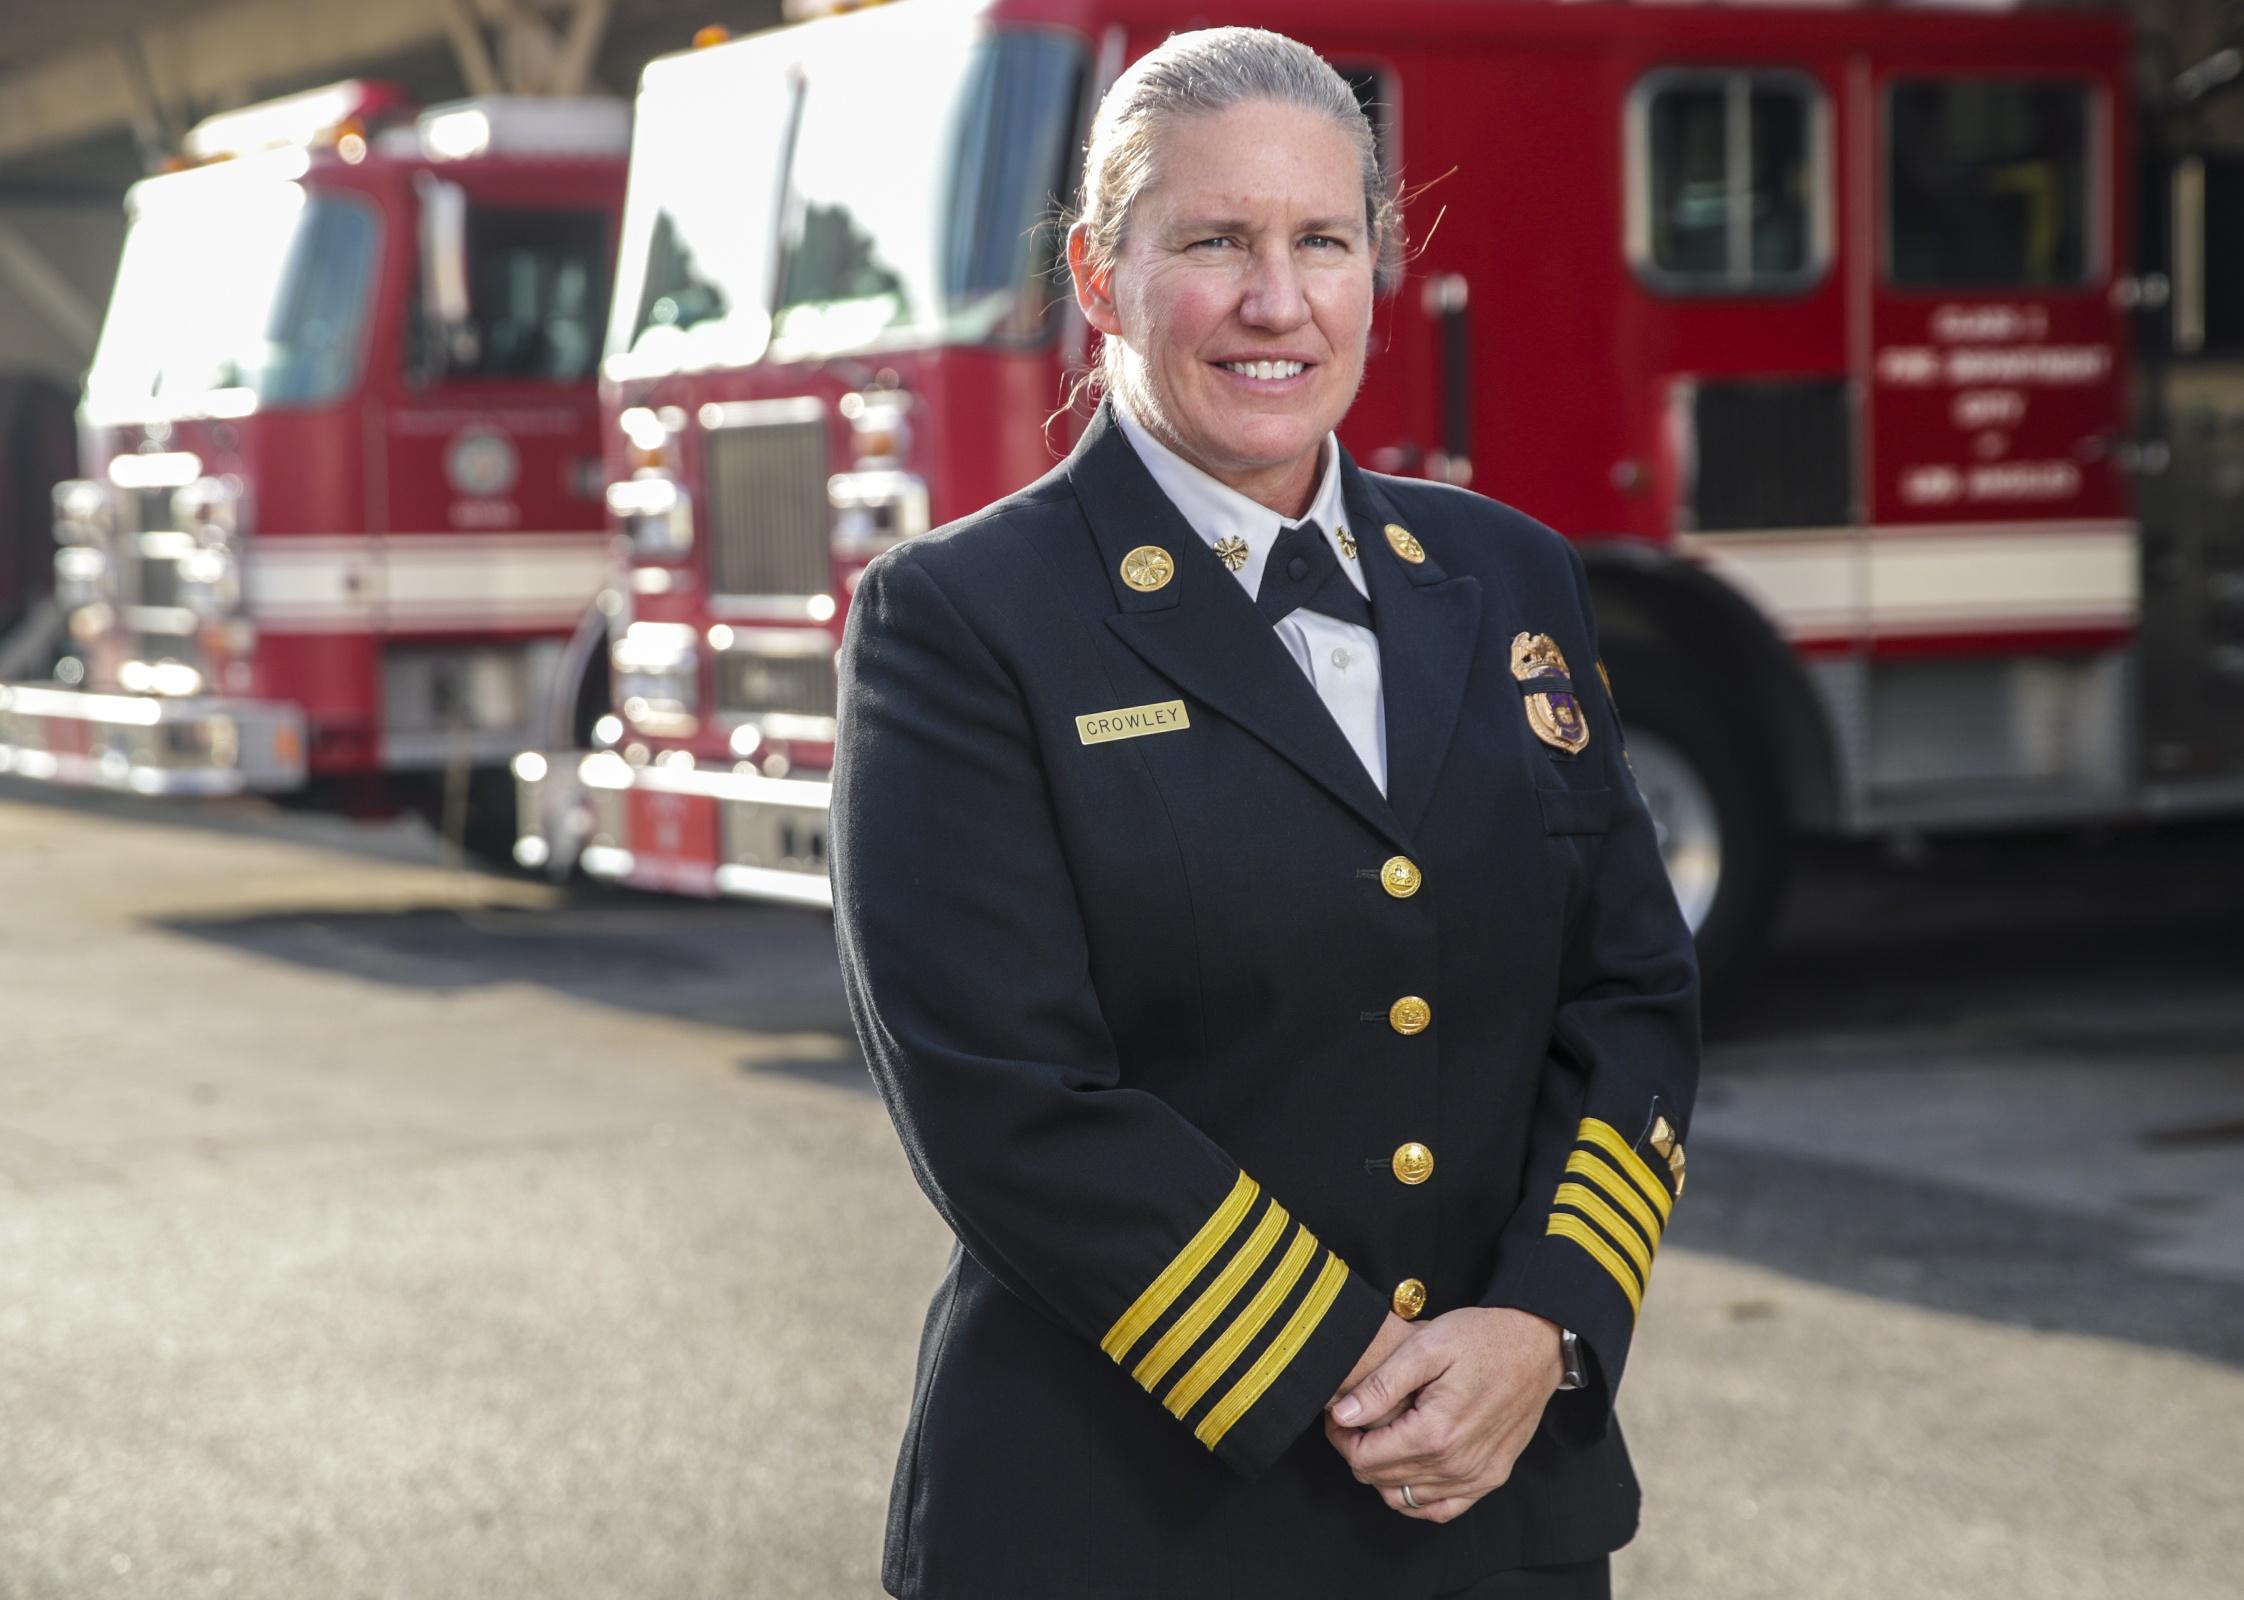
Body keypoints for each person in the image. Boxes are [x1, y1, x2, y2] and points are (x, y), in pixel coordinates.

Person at [831, 26, 1699, 1600]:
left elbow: (1629, 985)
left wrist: (1547, 1323)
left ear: (1379, 268)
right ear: (1100, 276)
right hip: (1126, 1525)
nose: (1275, 301)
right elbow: (999, 1093)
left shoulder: (1510, 575)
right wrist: (1351, 1372)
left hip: (1496, 1516)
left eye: (1322, 240)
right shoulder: (962, 619)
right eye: (1213, 242)